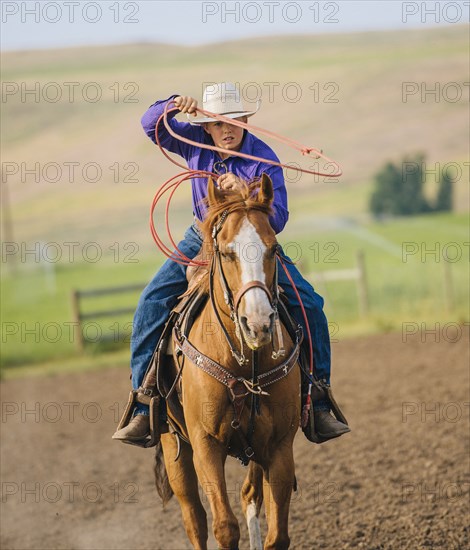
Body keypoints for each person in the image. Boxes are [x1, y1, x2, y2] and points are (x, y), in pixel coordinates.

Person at [112, 82, 350, 442]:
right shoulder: (192, 141)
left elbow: (279, 217)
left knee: (311, 303)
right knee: (151, 301)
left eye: (235, 121)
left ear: (246, 121)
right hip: (203, 237)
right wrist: (172, 104)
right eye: (220, 123)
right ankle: (144, 405)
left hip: (252, 241)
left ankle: (317, 400)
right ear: (206, 125)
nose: (228, 129)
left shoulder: (263, 156)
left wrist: (246, 191)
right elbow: (151, 125)